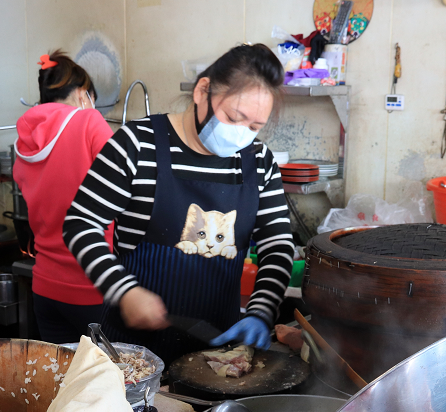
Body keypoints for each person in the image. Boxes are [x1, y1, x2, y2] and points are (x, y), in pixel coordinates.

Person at [63, 44, 294, 363]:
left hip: (219, 355)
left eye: (254, 128)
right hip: (132, 357)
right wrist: (123, 291)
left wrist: (261, 311)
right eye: (233, 117)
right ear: (203, 90)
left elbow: (277, 244)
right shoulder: (137, 146)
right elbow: (80, 224)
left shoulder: (259, 163)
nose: (241, 135)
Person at [13, 50, 115, 344]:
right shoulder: (89, 123)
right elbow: (129, 187)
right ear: (84, 93)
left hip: (45, 288)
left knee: (63, 381)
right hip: (93, 286)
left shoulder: (24, 140)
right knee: (112, 384)